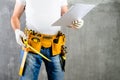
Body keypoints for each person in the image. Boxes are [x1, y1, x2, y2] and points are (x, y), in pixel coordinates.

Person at [11, 0, 84, 80]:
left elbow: (64, 14)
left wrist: (75, 22)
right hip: (32, 45)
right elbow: (15, 16)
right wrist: (17, 31)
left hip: (55, 46)